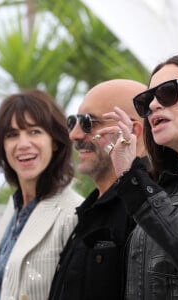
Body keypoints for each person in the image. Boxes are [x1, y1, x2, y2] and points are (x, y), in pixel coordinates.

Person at [100, 53, 178, 299]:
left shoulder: (146, 193)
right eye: (147, 100)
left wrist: (132, 178)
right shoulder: (164, 188)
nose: (154, 105)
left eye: (168, 92)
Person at [48, 79, 147, 300]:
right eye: (72, 121)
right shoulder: (89, 209)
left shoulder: (145, 211)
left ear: (132, 131)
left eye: (87, 122)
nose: (74, 135)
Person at [0, 89, 84, 300]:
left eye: (34, 131)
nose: (23, 144)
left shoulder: (74, 213)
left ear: (54, 141)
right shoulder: (14, 208)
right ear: (2, 146)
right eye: (12, 135)